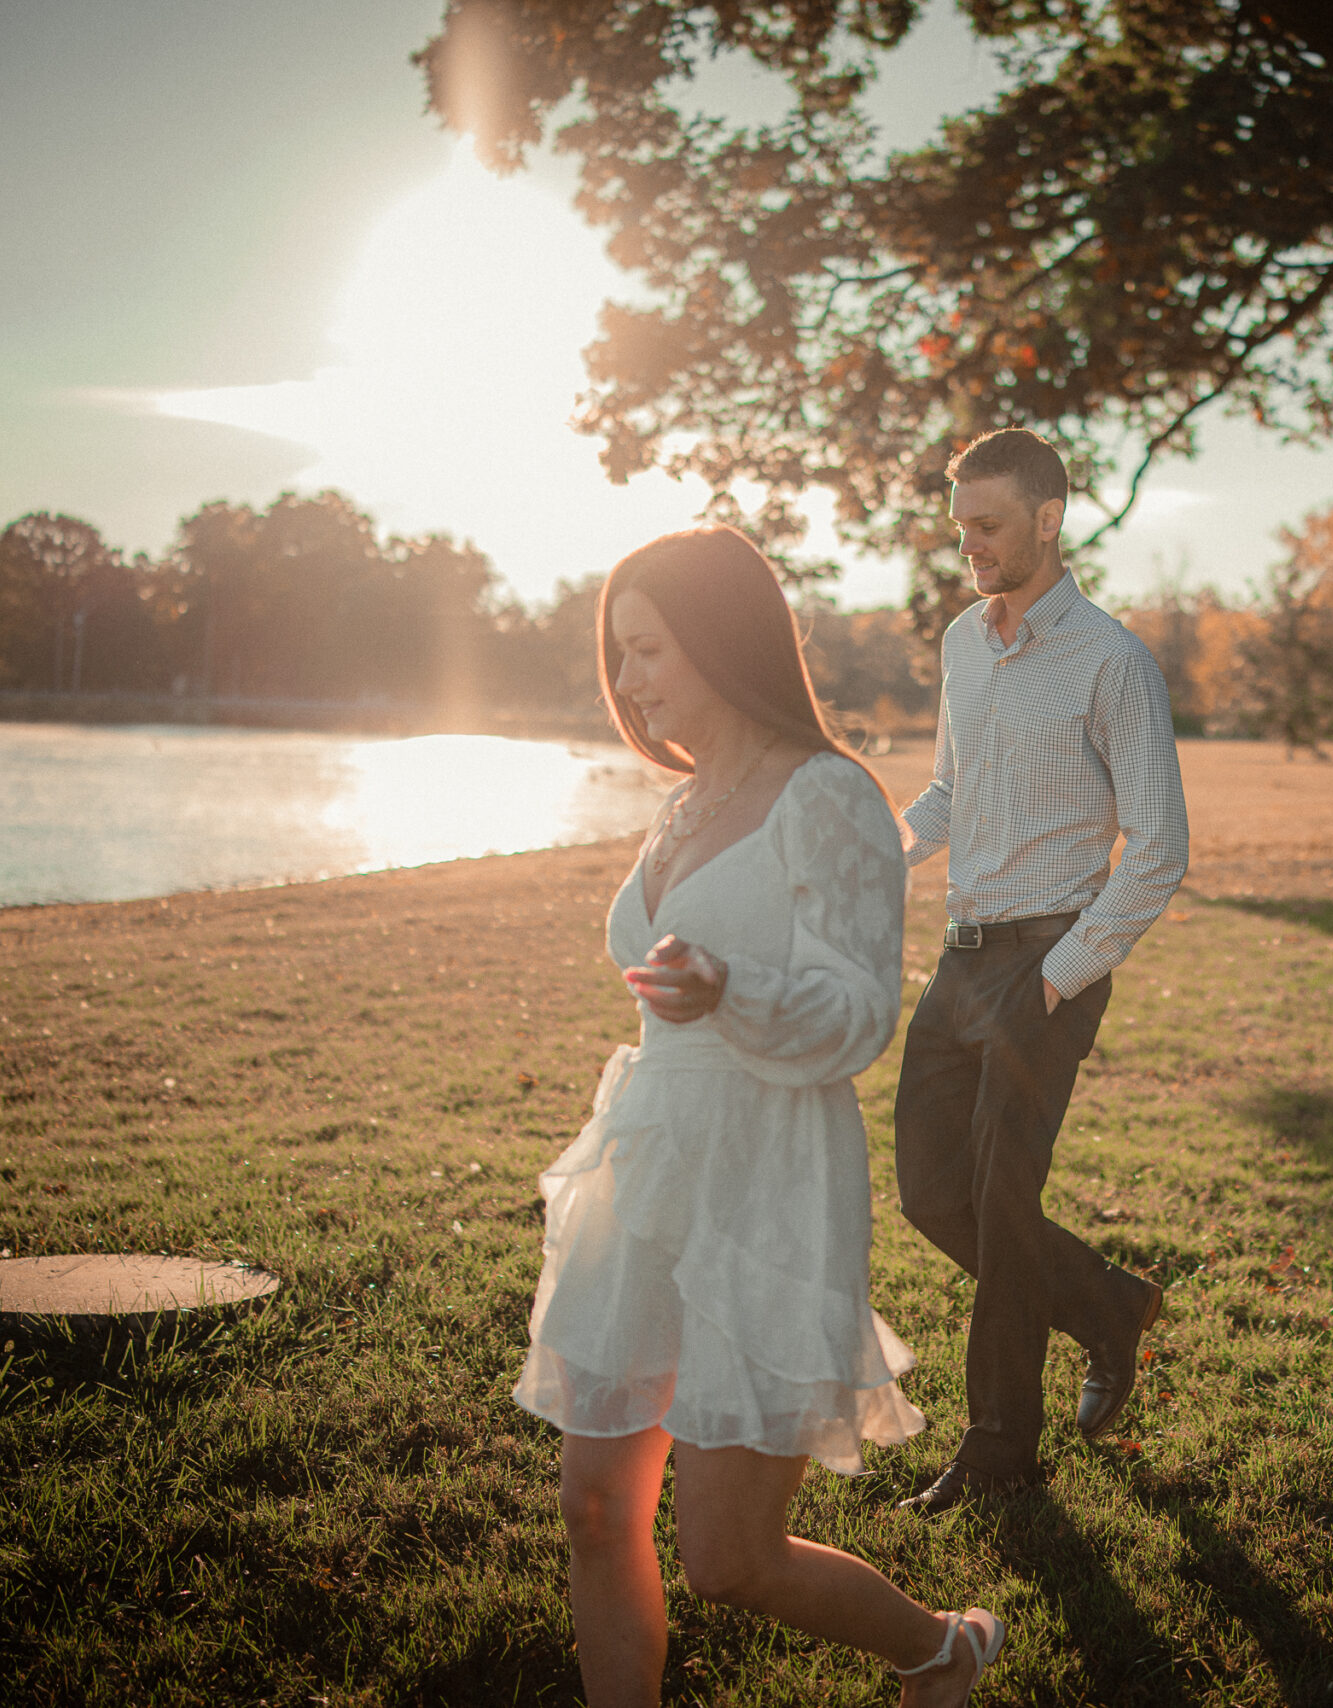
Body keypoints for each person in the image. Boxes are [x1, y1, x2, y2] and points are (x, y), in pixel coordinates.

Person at [511, 525, 1001, 1707]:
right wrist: (694, 994)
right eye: (618, 656)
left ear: (723, 639)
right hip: (650, 1151)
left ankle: (940, 1648)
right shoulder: (683, 803)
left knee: (729, 1559)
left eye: (647, 649)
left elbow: (858, 1015)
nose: (628, 683)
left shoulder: (829, 797)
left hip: (768, 1169)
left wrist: (732, 989)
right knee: (592, 1505)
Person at [892, 428, 1192, 1514]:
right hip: (961, 957)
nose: (968, 545)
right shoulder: (962, 644)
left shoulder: (1112, 659)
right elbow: (947, 794)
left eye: (988, 526)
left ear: (1047, 520)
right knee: (932, 1191)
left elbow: (1157, 847)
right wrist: (874, 848)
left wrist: (1059, 976)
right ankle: (1108, 1305)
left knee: (1003, 1202)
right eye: (960, 525)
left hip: (1046, 965)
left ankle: (999, 1449)